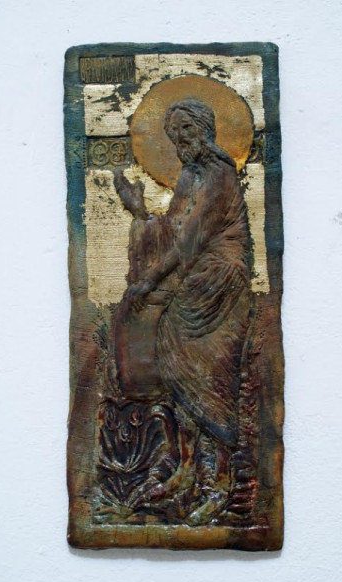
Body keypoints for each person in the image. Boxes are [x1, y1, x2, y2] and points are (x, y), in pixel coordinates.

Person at [114, 99, 251, 524]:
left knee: (208, 375)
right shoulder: (190, 175)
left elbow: (192, 238)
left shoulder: (220, 173)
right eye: (173, 135)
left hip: (219, 282)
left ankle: (218, 483)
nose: (180, 140)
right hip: (193, 282)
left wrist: (150, 280)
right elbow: (172, 229)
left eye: (186, 130)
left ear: (205, 128)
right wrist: (140, 212)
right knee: (175, 365)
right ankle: (187, 470)